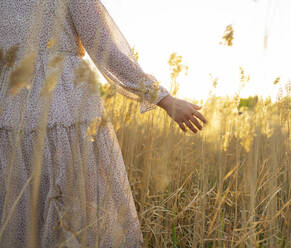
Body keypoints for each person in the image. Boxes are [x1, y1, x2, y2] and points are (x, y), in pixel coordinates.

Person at [0, 0, 207, 247]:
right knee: (70, 215)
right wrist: (164, 99)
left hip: (14, 111)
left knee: (23, 214)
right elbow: (106, 51)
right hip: (64, 110)